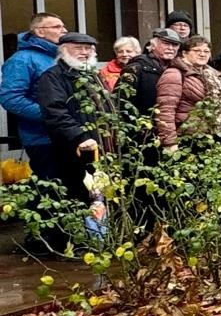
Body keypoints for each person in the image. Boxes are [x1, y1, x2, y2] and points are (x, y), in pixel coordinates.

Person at [35, 32, 104, 198]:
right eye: (78, 48)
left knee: (98, 193)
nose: (84, 52)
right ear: (64, 50)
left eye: (88, 48)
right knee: (78, 193)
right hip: (73, 147)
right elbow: (55, 112)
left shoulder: (93, 75)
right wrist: (79, 136)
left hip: (98, 143)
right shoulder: (52, 77)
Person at [1, 12, 65, 178]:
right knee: (52, 189)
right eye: (57, 27)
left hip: (65, 133)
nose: (63, 30)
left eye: (63, 26)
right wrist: (50, 115)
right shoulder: (22, 59)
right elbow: (11, 99)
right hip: (42, 138)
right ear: (39, 31)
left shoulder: (60, 57)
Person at [155, 37, 221, 148]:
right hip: (188, 139)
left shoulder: (213, 76)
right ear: (184, 53)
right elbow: (166, 111)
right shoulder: (174, 74)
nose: (202, 54)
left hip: (215, 137)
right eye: (197, 51)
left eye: (206, 51)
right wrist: (170, 142)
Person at [117, 28, 182, 123]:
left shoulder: (179, 68)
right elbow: (121, 102)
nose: (171, 48)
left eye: (175, 45)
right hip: (142, 130)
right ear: (153, 46)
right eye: (166, 44)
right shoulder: (136, 68)